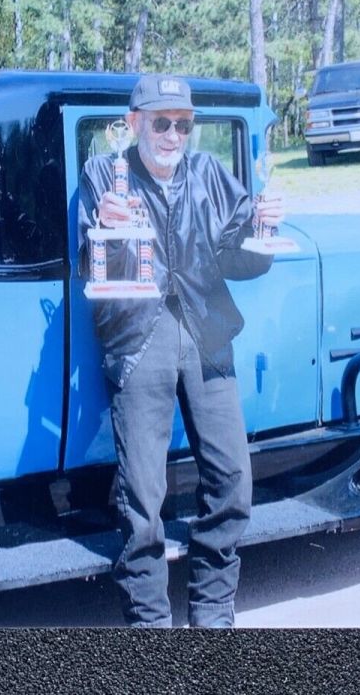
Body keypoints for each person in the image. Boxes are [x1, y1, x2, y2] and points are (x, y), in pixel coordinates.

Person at [78, 74, 283, 628]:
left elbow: (242, 259)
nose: (173, 135)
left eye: (183, 124)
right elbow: (85, 255)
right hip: (138, 336)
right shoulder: (103, 173)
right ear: (136, 120)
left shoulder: (211, 174)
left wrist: (264, 229)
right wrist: (104, 222)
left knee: (232, 477)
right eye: (162, 122)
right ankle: (150, 624)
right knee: (143, 496)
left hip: (206, 333)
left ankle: (213, 612)